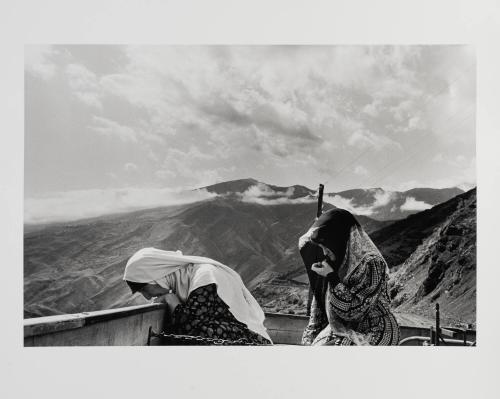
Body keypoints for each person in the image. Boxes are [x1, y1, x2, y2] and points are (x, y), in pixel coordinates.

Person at [123, 247, 272, 345]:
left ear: (156, 277)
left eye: (145, 290)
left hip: (253, 341)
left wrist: (171, 300)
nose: (148, 297)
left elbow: (191, 327)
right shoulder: (187, 279)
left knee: (194, 333)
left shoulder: (204, 276)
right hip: (236, 339)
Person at [298, 208, 400, 345]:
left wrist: (332, 277)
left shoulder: (372, 263)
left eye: (326, 247)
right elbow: (320, 305)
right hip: (343, 328)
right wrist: (310, 337)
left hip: (376, 329)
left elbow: (355, 311)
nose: (324, 253)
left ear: (338, 240)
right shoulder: (335, 262)